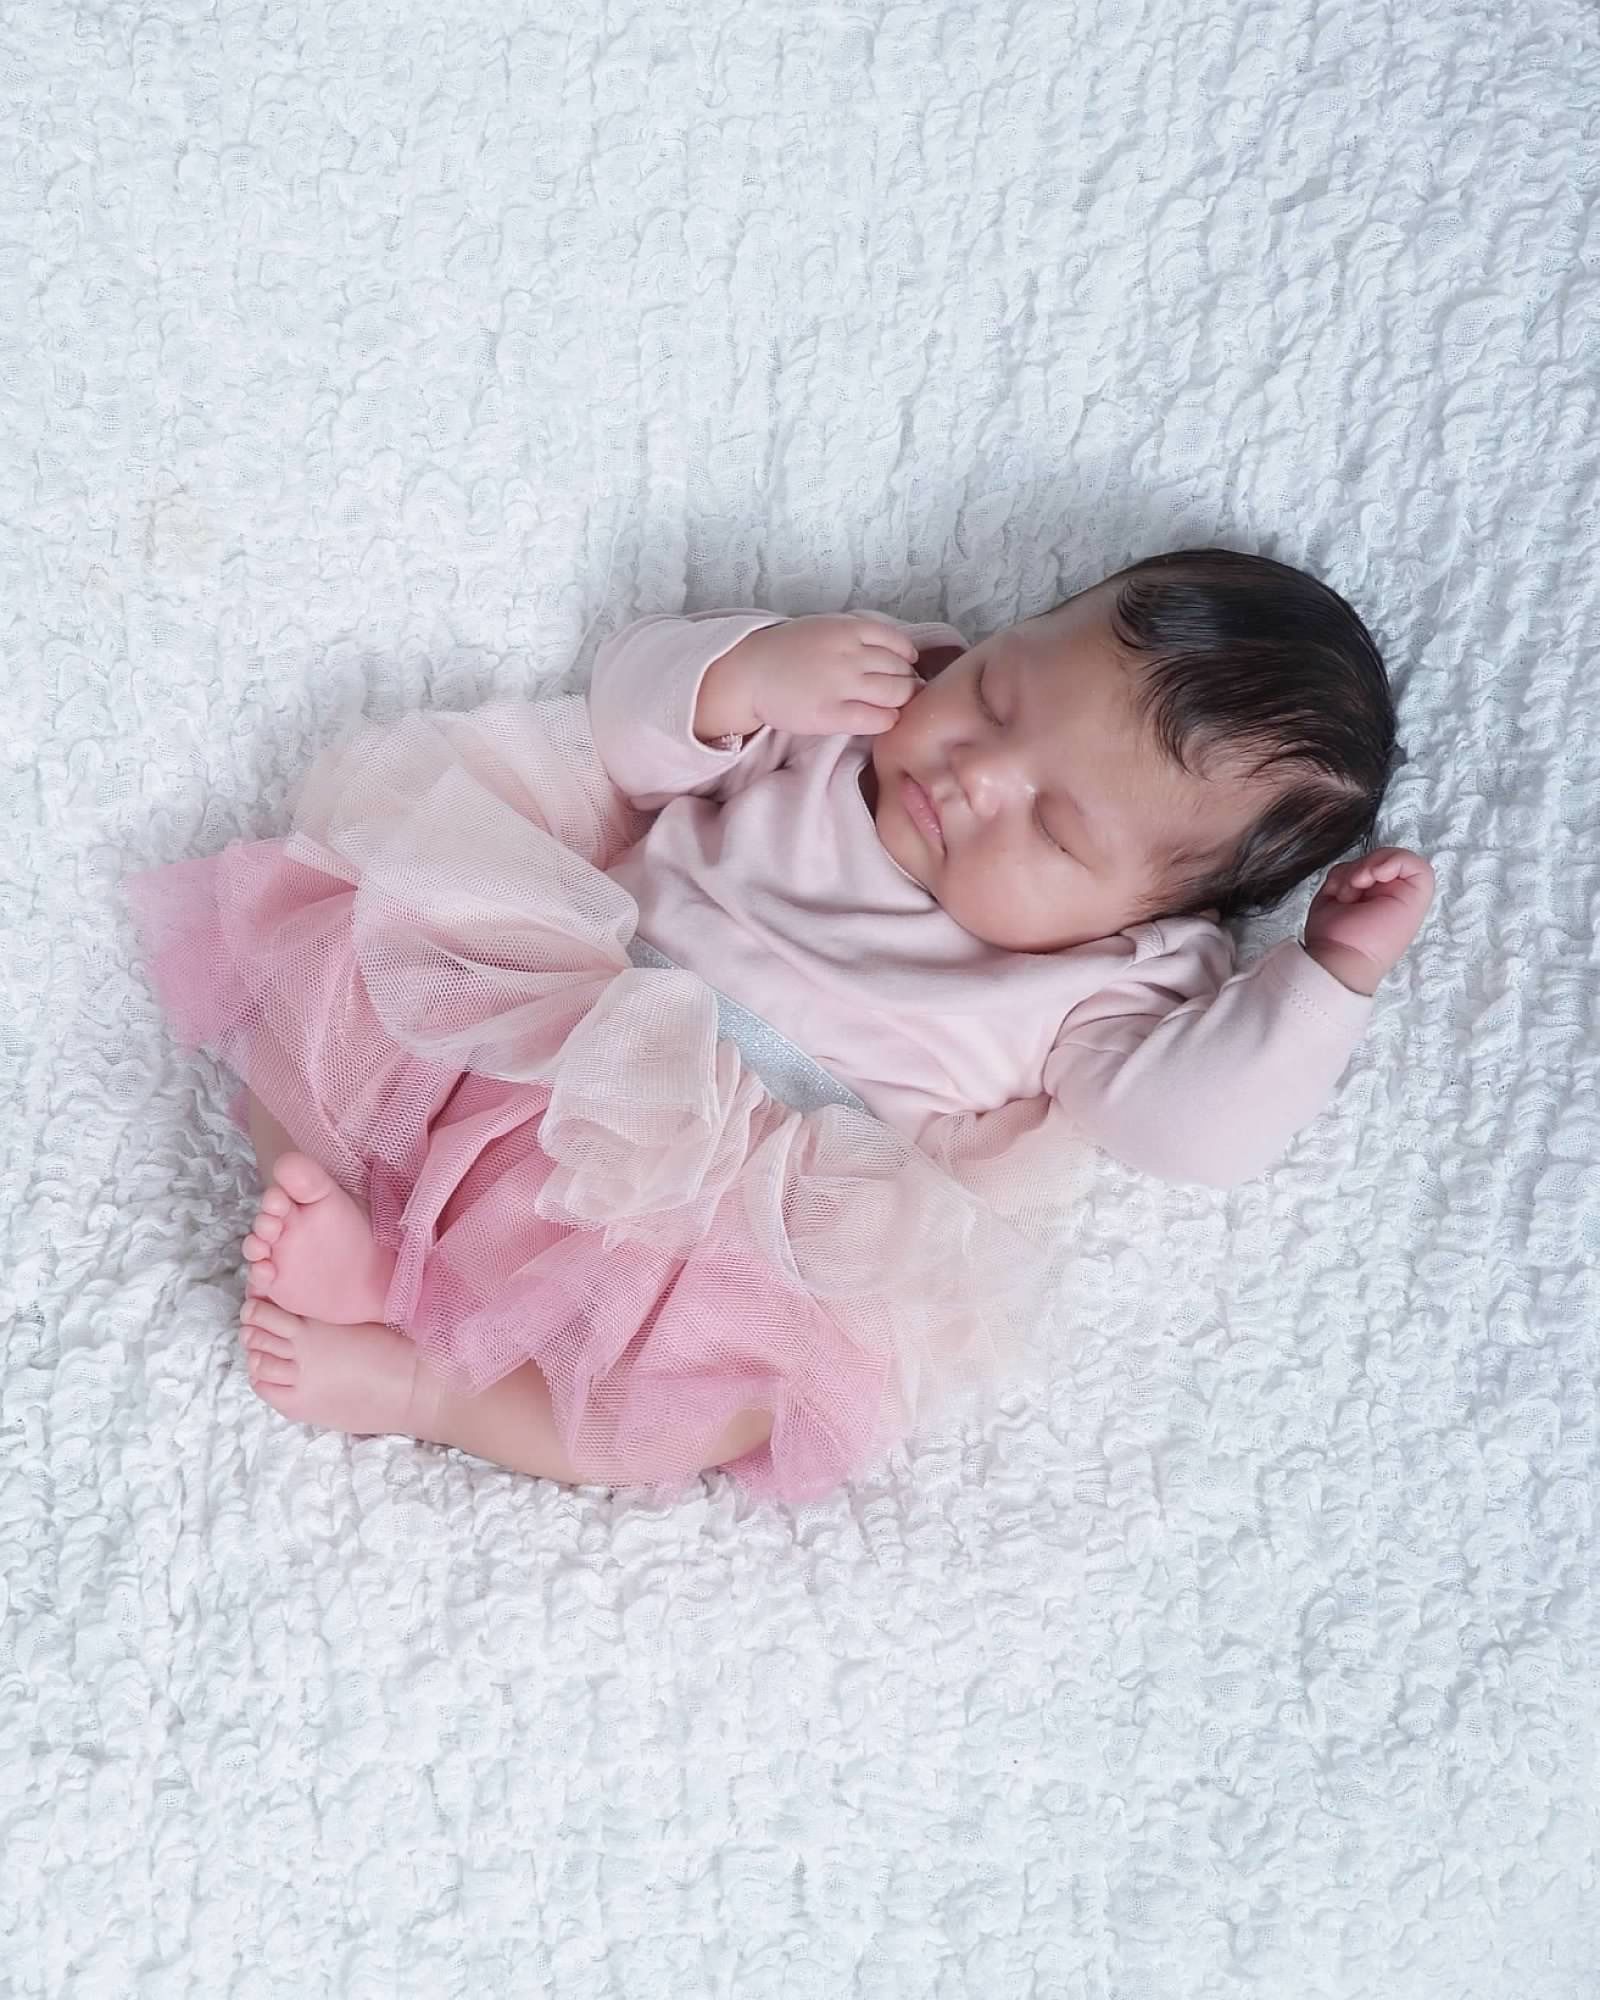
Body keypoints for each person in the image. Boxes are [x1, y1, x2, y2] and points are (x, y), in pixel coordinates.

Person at [126, 547, 1435, 1502]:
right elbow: (628, 730)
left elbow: (1194, 1133)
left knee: (714, 1408)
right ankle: (354, 1225)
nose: (976, 773)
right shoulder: (858, 704)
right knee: (342, 970)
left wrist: (1327, 978)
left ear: (1163, 910)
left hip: (734, 1206)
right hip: (574, 1003)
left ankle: (422, 1386)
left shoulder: (1123, 980)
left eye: (1052, 827)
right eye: (998, 695)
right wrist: (745, 675)